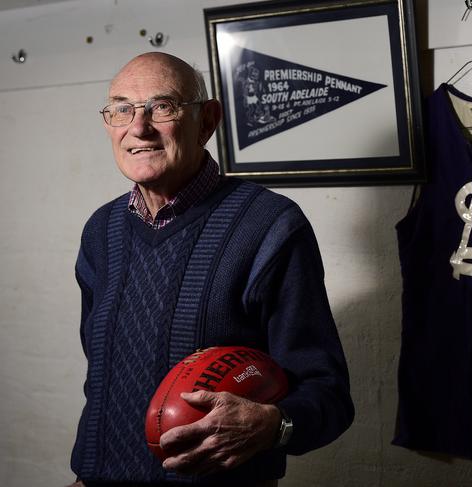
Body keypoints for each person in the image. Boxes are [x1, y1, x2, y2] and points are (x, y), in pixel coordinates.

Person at [69, 52, 354, 487]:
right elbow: (102, 379)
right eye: (121, 109)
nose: (138, 127)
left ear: (208, 120)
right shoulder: (100, 231)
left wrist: (274, 425)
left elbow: (327, 392)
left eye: (161, 107)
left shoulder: (270, 225)